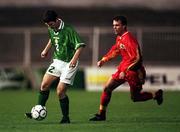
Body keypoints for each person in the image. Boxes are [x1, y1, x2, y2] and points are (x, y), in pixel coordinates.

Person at [89, 16, 163, 121]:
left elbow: (138, 59)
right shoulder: (119, 37)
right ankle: (102, 114)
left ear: (124, 26)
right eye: (113, 25)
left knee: (135, 98)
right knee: (107, 88)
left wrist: (126, 71)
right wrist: (103, 60)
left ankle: (156, 94)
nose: (114, 27)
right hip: (123, 68)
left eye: (117, 25)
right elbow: (115, 50)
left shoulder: (129, 39)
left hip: (134, 71)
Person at [25, 10, 85, 124]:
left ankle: (65, 118)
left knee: (60, 91)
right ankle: (38, 109)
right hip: (57, 61)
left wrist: (74, 59)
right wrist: (45, 50)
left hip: (69, 63)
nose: (49, 27)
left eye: (51, 24)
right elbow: (52, 39)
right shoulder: (51, 28)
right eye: (47, 25)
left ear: (57, 19)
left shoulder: (68, 30)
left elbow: (80, 46)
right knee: (44, 85)